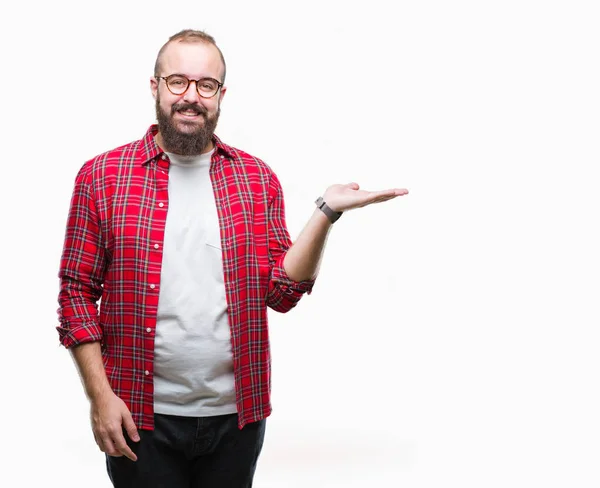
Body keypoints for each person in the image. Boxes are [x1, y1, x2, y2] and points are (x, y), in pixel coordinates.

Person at [55, 29, 409, 488]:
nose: (190, 97)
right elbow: (77, 293)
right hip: (137, 415)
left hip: (236, 420)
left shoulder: (255, 178)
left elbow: (281, 294)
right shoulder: (102, 176)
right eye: (177, 81)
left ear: (221, 94)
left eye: (206, 85)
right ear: (155, 86)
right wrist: (99, 398)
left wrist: (326, 213)